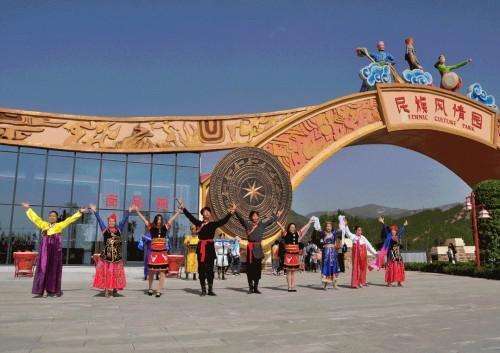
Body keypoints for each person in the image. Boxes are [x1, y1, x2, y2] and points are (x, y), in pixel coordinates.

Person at [22, 202, 86, 297]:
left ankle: (52, 290)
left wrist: (79, 212)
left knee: (53, 270)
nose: (52, 217)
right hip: (44, 252)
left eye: (54, 216)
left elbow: (69, 220)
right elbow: (35, 219)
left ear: (56, 218)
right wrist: (28, 209)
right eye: (50, 216)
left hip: (55, 252)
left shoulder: (59, 225)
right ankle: (40, 290)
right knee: (43, 269)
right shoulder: (44, 225)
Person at [180, 201, 236, 296]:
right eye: (205, 212)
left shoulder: (213, 224)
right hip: (201, 247)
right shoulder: (198, 223)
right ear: (202, 214)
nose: (207, 213)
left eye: (208, 212)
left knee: (210, 269)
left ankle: (210, 289)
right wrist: (183, 209)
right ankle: (203, 290)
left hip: (210, 248)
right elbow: (190, 217)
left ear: (210, 214)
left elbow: (223, 221)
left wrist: (231, 212)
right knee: (201, 269)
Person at [136, 208, 182, 297]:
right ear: (155, 220)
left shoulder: (165, 227)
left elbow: (171, 220)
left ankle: (159, 290)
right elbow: (144, 220)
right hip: (153, 253)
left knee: (162, 272)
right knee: (151, 271)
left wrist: (178, 212)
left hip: (162, 253)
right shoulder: (151, 227)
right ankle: (150, 288)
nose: (159, 221)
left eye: (160, 219)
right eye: (158, 219)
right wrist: (137, 211)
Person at [235, 209, 282, 294]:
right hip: (250, 249)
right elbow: (241, 219)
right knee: (250, 269)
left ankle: (256, 287)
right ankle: (250, 287)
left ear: (258, 217)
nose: (255, 217)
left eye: (256, 215)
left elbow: (270, 221)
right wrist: (235, 211)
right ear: (251, 217)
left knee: (257, 269)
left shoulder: (261, 225)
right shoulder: (248, 224)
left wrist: (276, 215)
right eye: (253, 216)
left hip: (258, 249)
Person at [90, 204, 131, 297]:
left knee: (114, 273)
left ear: (115, 222)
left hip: (116, 256)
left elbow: (124, 221)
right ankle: (107, 289)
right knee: (107, 272)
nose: (111, 223)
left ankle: (114, 288)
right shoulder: (105, 230)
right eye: (109, 221)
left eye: (113, 221)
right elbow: (99, 220)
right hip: (106, 256)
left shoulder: (119, 230)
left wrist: (128, 211)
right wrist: (95, 211)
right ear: (108, 222)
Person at [278, 218, 313, 292]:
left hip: (295, 255)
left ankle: (293, 286)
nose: (292, 228)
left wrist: (309, 223)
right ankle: (289, 287)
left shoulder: (297, 234)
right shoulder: (286, 233)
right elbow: (281, 227)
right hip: (288, 255)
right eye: (291, 227)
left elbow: (303, 229)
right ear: (289, 228)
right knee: (288, 271)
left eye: (294, 227)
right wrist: (276, 221)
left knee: (293, 272)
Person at [342, 221, 378, 289]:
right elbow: (348, 232)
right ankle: (355, 283)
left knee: (363, 268)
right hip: (356, 256)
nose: (360, 231)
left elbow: (369, 246)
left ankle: (361, 282)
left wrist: (375, 253)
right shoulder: (353, 237)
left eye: (360, 230)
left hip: (363, 256)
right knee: (356, 268)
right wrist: (346, 225)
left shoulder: (363, 238)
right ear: (355, 231)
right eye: (358, 230)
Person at [377, 217, 408, 287]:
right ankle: (389, 282)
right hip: (391, 255)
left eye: (394, 230)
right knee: (391, 268)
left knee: (399, 268)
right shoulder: (388, 236)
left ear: (396, 231)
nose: (393, 231)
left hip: (397, 254)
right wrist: (382, 222)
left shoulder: (398, 236)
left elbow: (401, 230)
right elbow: (385, 228)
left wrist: (404, 225)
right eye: (392, 230)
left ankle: (399, 282)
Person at [318, 221, 343, 290]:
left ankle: (335, 284)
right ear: (325, 227)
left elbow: (340, 231)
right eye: (327, 226)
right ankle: (324, 285)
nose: (328, 227)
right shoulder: (323, 233)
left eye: (329, 226)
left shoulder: (334, 233)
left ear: (331, 227)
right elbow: (318, 231)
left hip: (333, 252)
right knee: (326, 267)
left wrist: (341, 223)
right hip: (326, 253)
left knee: (334, 267)